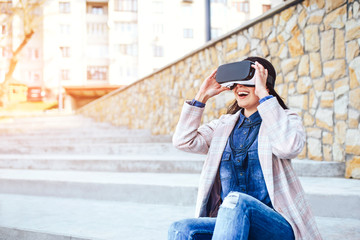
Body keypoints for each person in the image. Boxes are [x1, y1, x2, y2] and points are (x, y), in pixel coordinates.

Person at [168, 57, 322, 240]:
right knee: (181, 229)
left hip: (275, 225)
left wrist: (264, 95)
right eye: (236, 83)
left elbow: (288, 147)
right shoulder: (223, 125)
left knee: (237, 201)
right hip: (230, 223)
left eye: (248, 82)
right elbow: (183, 141)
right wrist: (202, 95)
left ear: (265, 84)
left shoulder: (286, 119)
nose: (239, 87)